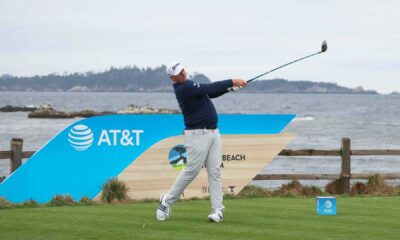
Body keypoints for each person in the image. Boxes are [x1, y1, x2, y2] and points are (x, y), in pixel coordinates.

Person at [156, 61, 247, 222]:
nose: (183, 73)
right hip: (197, 134)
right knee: (192, 170)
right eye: (178, 72)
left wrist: (230, 88)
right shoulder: (184, 88)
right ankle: (166, 201)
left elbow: (211, 94)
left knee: (215, 171)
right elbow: (210, 88)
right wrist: (232, 81)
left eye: (182, 69)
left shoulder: (190, 85)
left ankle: (218, 210)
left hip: (213, 132)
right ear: (172, 77)